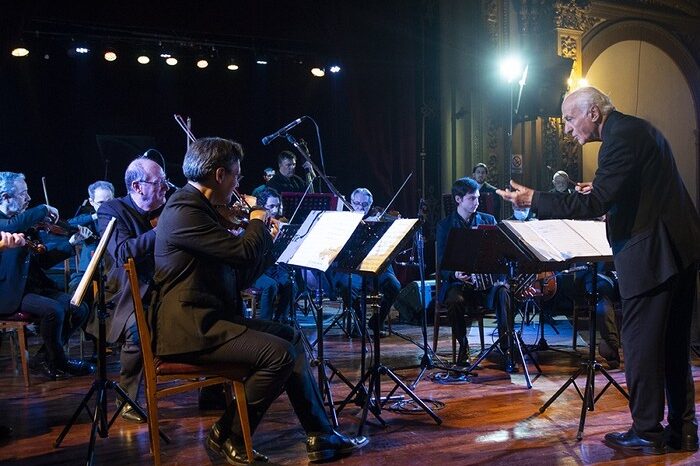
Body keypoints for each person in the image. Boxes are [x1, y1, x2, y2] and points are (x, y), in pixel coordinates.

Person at [497, 86, 700, 455]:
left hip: (652, 256)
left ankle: (647, 432)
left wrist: (535, 199)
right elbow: (632, 191)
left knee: (640, 347)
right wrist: (604, 192)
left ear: (593, 112)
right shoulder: (636, 129)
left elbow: (595, 203)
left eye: (570, 118)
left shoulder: (618, 138)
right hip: (679, 250)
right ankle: (684, 430)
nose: (568, 128)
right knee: (673, 346)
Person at [153, 137, 366, 464]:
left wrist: (269, 240)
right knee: (278, 355)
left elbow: (240, 274)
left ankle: (321, 436)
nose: (240, 183)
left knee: (291, 338)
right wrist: (257, 217)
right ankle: (230, 434)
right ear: (220, 175)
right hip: (191, 329)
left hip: (212, 320)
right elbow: (241, 251)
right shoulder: (184, 208)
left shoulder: (205, 210)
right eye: (237, 176)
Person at [0, 171, 94, 380]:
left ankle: (45, 358)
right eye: (23, 194)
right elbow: (11, 227)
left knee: (79, 307)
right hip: (8, 292)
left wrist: (71, 243)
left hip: (31, 289)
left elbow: (42, 260)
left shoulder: (23, 224)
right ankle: (59, 362)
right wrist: (43, 209)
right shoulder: (8, 223)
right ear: (6, 197)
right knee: (53, 310)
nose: (29, 198)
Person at [95, 158, 168, 423]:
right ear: (137, 186)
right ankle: (125, 397)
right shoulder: (111, 210)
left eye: (164, 181)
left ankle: (213, 390)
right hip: (127, 291)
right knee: (139, 330)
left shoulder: (165, 208)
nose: (165, 187)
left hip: (164, 287)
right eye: (158, 182)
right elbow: (123, 253)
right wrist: (164, 228)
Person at [436, 177, 510, 368]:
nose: (477, 202)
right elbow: (440, 263)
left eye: (477, 198)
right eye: (471, 198)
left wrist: (500, 278)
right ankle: (464, 346)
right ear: (458, 199)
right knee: (454, 300)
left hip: (486, 286)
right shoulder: (445, 226)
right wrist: (454, 274)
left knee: (503, 293)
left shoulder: (489, 220)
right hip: (460, 285)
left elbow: (500, 255)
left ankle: (506, 348)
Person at [332, 187, 401, 336]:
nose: (360, 208)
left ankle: (377, 320)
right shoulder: (343, 221)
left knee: (394, 285)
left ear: (370, 204)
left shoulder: (377, 220)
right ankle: (358, 322)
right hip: (352, 266)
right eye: (356, 203)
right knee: (347, 285)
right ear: (351, 203)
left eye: (364, 205)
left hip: (375, 263)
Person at [251, 187, 297, 323]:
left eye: (277, 206)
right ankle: (266, 323)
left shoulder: (279, 224)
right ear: (262, 208)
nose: (275, 211)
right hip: (256, 270)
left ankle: (281, 321)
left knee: (290, 284)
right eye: (271, 206)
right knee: (270, 285)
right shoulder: (254, 225)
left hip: (273, 268)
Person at [67, 180, 115, 290]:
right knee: (76, 290)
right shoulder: (89, 219)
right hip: (87, 270)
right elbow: (68, 224)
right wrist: (95, 216)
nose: (106, 206)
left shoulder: (119, 218)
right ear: (91, 202)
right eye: (101, 202)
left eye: (109, 202)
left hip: (113, 270)